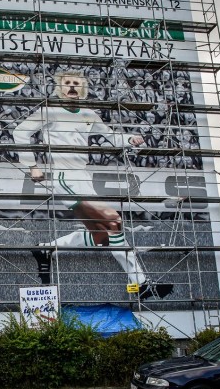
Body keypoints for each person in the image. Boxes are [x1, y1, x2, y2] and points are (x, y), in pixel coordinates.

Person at [11, 69, 173, 300]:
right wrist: (32, 165)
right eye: (67, 82)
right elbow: (20, 132)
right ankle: (142, 283)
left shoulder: (88, 113)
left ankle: (47, 248)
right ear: (60, 88)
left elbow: (111, 137)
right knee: (113, 221)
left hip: (83, 177)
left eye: (76, 82)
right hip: (65, 177)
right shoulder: (50, 112)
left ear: (83, 88)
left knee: (106, 234)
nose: (72, 86)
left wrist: (131, 139)